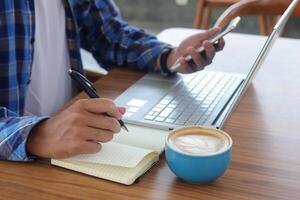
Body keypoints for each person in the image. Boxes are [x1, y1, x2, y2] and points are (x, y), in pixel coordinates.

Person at [0, 0, 224, 161]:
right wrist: (37, 135)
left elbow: (106, 31)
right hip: (17, 167)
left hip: (74, 144)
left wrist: (167, 56)